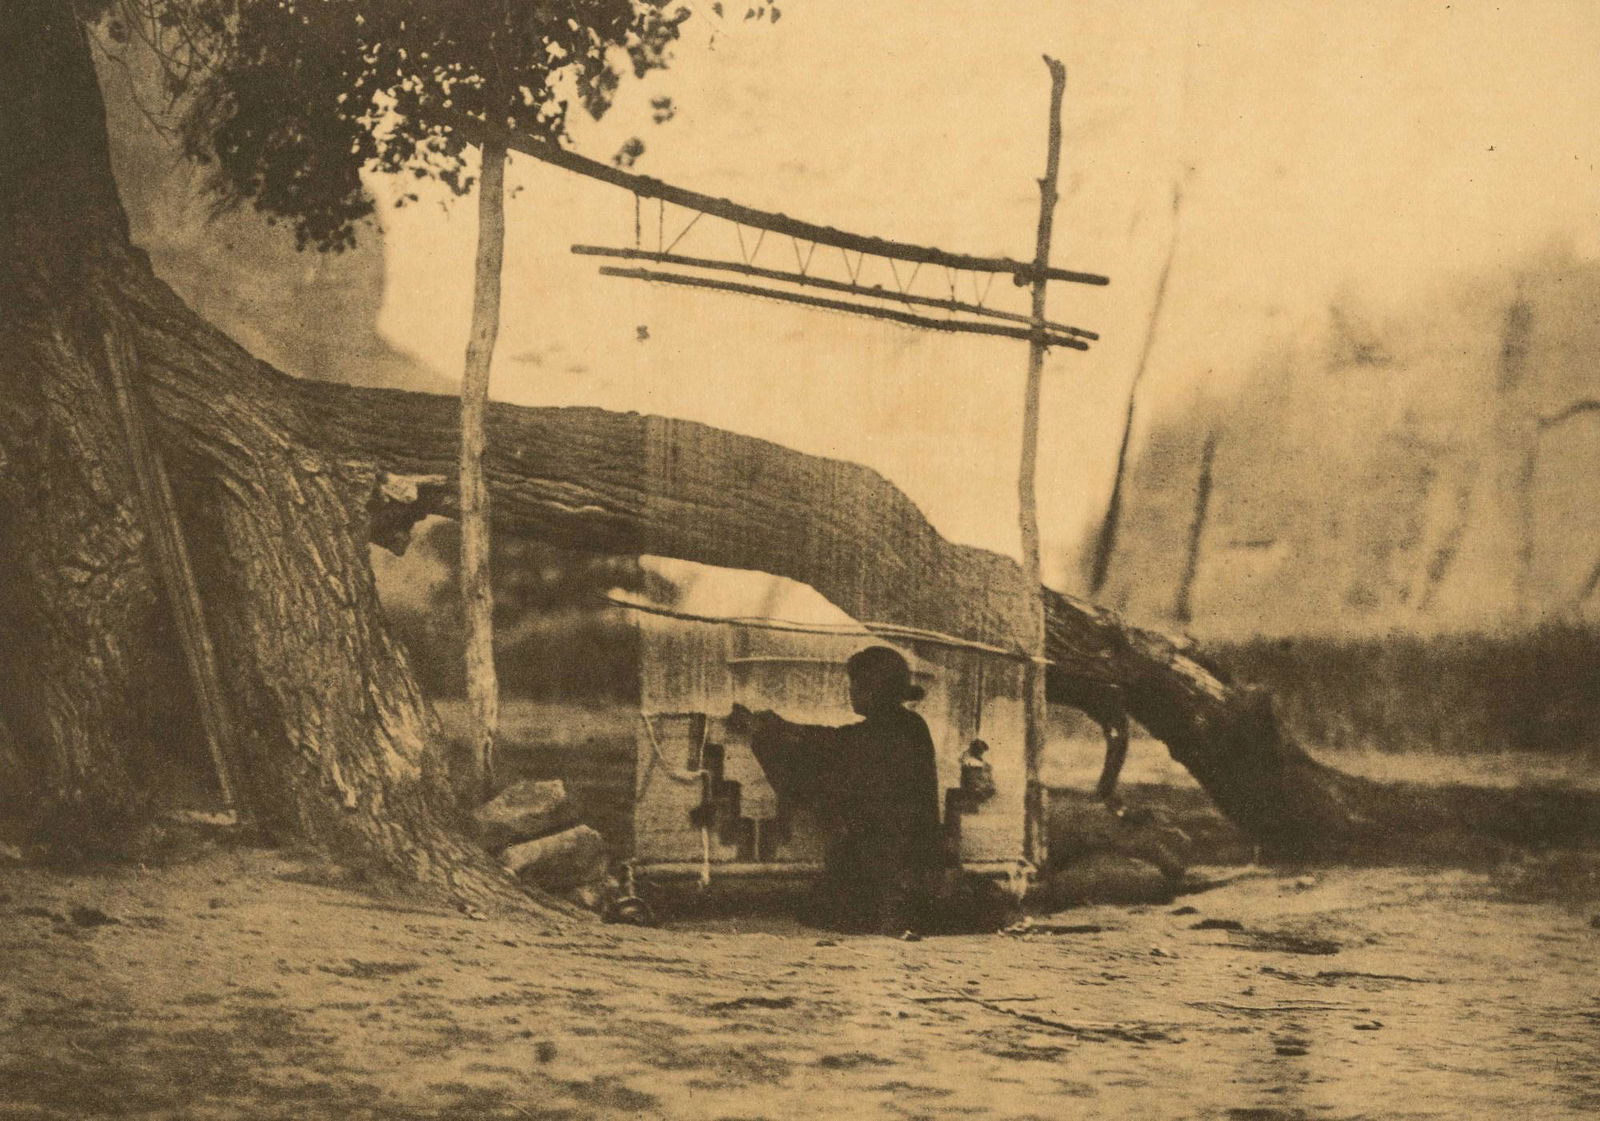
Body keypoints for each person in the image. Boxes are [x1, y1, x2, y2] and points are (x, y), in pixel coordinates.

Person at [729, 646, 942, 936]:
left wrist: (765, 732)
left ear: (874, 688)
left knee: (824, 911)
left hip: (890, 865)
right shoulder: (909, 726)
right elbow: (839, 741)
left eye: (856, 684)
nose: (851, 691)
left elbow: (836, 744)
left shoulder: (889, 732)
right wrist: (783, 726)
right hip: (907, 860)